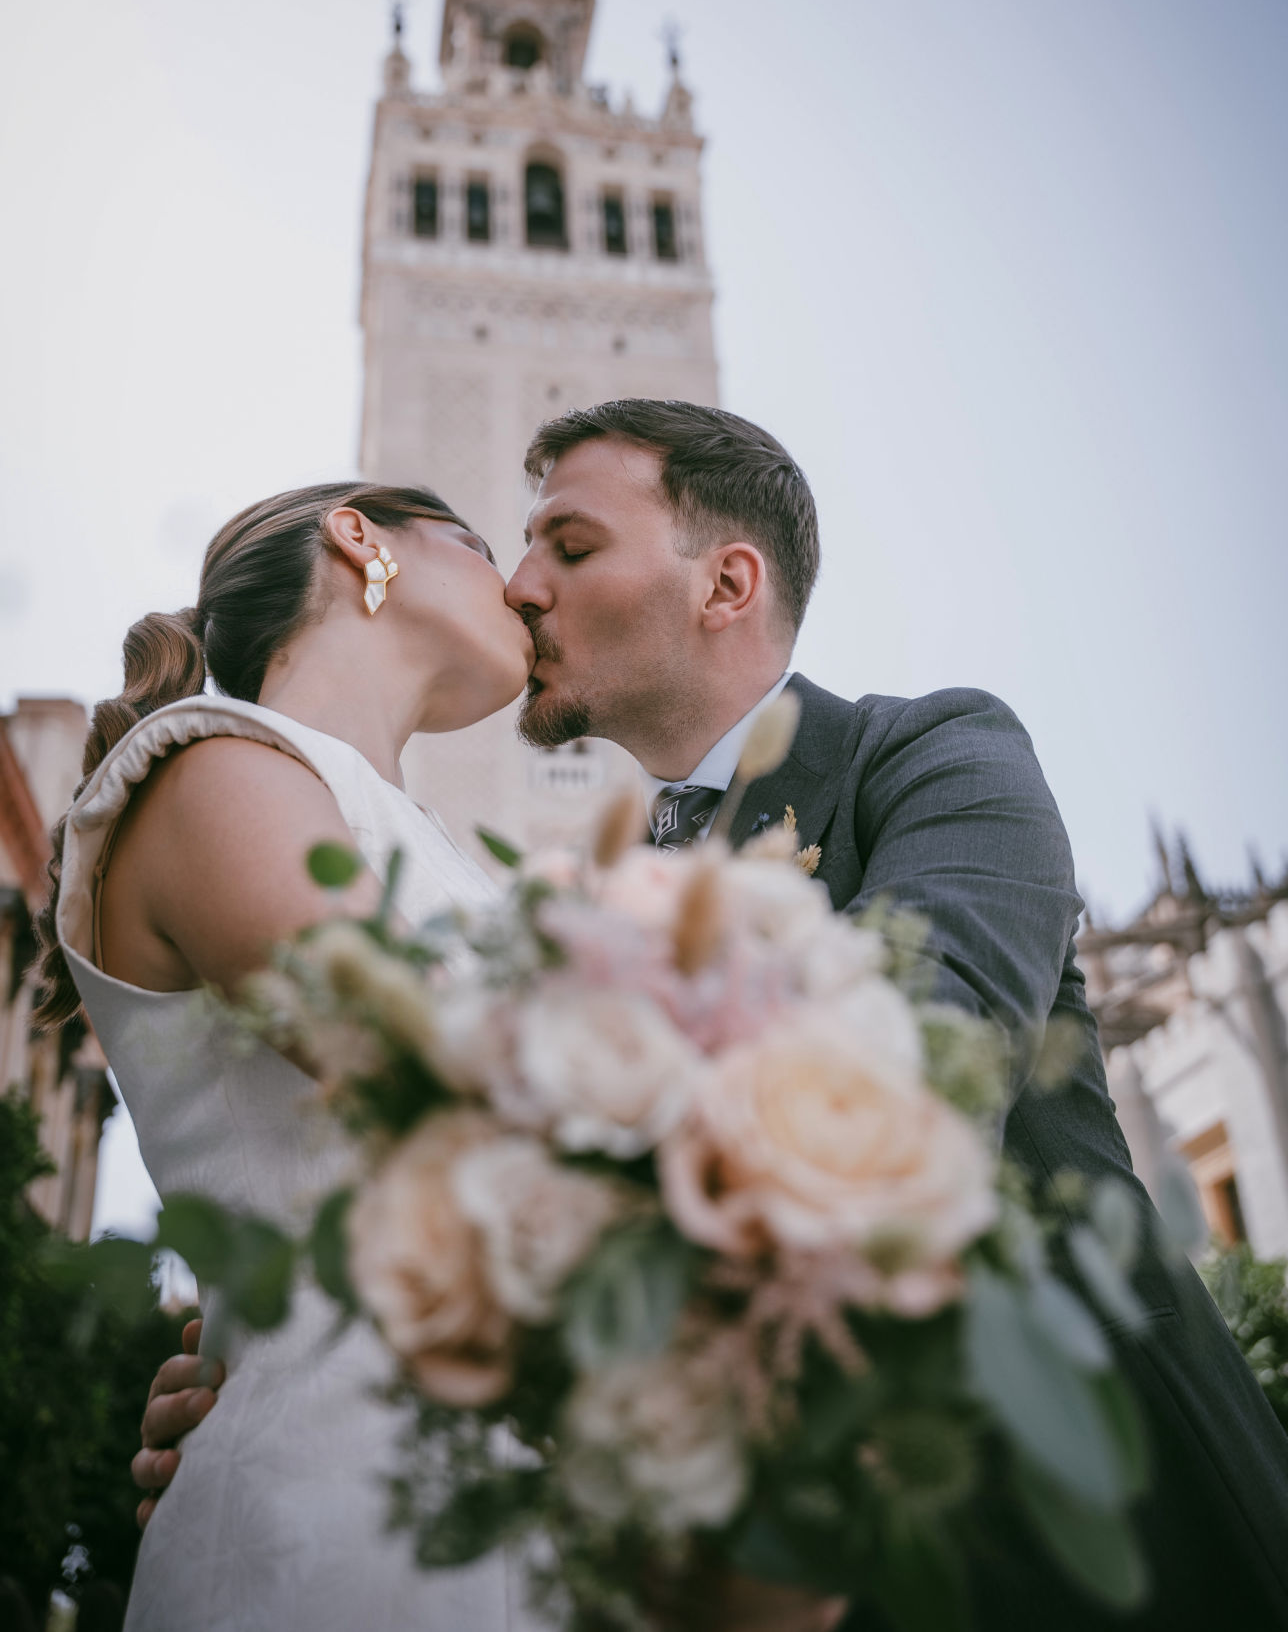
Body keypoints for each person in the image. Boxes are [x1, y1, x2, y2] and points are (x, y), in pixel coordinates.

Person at [133, 403, 1288, 1629]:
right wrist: (311, 1354)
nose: (523, 588)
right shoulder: (579, 906)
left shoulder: (931, 755)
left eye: (568, 549)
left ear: (726, 582)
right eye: (513, 550)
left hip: (1092, 1536)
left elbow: (922, 1070)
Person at [33, 483, 545, 1632]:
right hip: (346, 1507)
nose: (522, 582)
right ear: (360, 535)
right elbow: (438, 1071)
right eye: (483, 544)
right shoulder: (214, 771)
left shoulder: (450, 859)